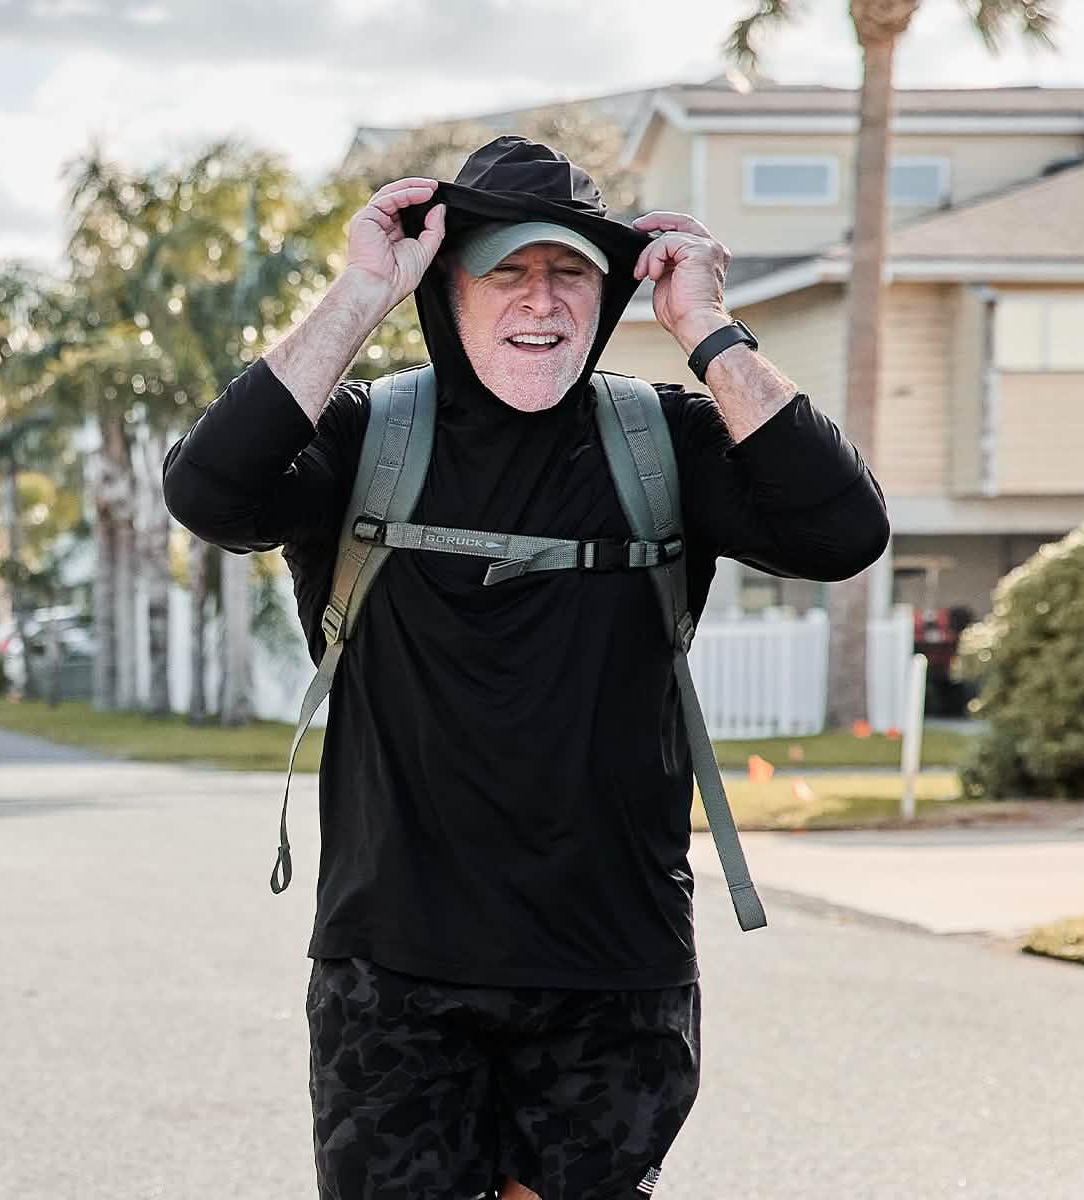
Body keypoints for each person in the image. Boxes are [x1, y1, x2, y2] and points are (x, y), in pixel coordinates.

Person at [162, 135, 890, 1200]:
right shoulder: (367, 438)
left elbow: (844, 533)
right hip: (394, 973)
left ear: (605, 301)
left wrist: (707, 329)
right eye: (508, 270)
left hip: (612, 974)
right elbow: (209, 494)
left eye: (571, 274)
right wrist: (362, 293)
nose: (541, 302)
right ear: (446, 290)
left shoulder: (669, 443)